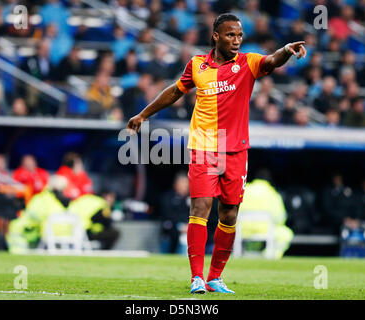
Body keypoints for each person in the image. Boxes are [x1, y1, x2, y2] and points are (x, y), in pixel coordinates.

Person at [126, 13, 306, 294]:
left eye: (239, 35)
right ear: (216, 36)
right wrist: (143, 114)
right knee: (200, 208)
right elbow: (175, 92)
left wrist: (286, 50)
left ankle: (215, 277)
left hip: (236, 150)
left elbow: (271, 60)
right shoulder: (197, 64)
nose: (236, 40)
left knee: (230, 213)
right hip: (204, 147)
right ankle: (196, 277)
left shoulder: (248, 63)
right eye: (230, 35)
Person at [238, 169, 294, 259]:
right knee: (286, 234)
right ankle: (270, 257)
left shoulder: (244, 190)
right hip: (265, 230)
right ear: (270, 180)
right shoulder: (273, 194)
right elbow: (280, 218)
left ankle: (247, 256)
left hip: (242, 230)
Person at [158, 172, 191, 254]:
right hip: (170, 232)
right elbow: (167, 214)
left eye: (185, 183)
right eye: (181, 183)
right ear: (175, 184)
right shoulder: (168, 197)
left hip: (188, 232)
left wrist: (189, 225)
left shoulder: (193, 198)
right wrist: (181, 226)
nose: (183, 186)